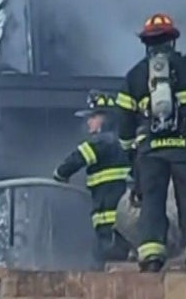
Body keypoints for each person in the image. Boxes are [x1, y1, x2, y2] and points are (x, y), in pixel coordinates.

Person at [115, 12, 186, 273]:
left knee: (152, 200)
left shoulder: (135, 76)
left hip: (150, 152)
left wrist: (130, 150)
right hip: (185, 149)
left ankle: (151, 256)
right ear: (172, 41)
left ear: (146, 44)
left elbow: (124, 119)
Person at [53, 90, 133, 265]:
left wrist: (60, 174)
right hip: (123, 222)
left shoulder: (103, 143)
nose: (88, 121)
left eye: (93, 117)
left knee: (103, 260)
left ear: (106, 119)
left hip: (110, 221)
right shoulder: (123, 144)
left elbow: (77, 158)